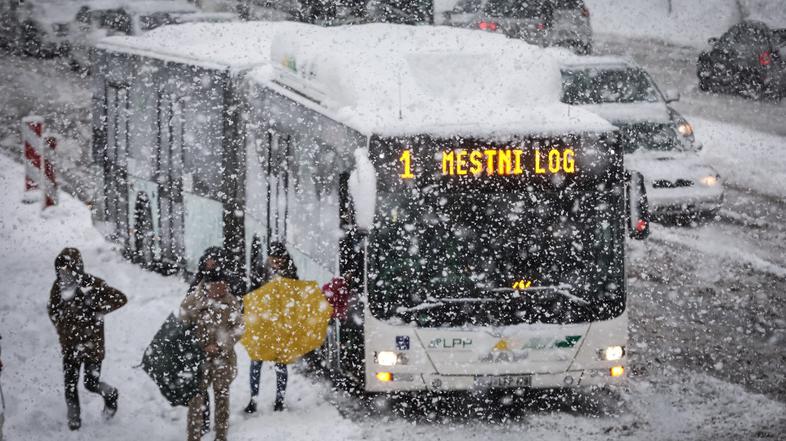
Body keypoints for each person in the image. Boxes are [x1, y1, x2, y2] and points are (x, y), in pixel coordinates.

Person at [47, 248, 127, 431]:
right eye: (61, 268)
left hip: (92, 347)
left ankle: (111, 394)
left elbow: (120, 299)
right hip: (69, 347)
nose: (64, 271)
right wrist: (61, 329)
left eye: (68, 267)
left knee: (90, 384)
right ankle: (74, 422)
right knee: (70, 385)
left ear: (77, 268)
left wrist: (94, 283)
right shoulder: (57, 287)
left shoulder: (91, 287)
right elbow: (52, 309)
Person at [180, 268, 244, 441]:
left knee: (222, 399)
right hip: (199, 360)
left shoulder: (230, 301)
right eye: (220, 286)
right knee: (196, 401)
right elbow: (183, 327)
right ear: (209, 285)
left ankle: (221, 437)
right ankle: (194, 436)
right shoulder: (194, 300)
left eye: (226, 285)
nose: (224, 289)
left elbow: (238, 328)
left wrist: (220, 345)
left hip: (223, 359)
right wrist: (201, 346)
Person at [244, 241, 298, 414]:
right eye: (275, 259)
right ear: (269, 258)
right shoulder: (260, 272)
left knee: (280, 365)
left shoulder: (291, 274)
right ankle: (254, 399)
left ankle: (279, 400)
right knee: (256, 363)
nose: (278, 262)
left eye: (280, 259)